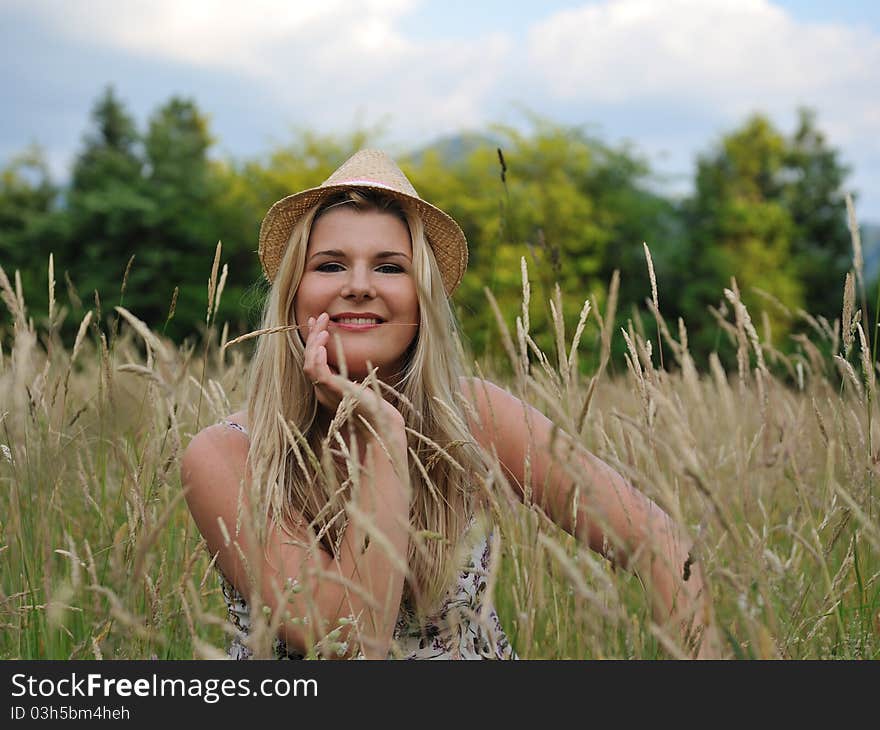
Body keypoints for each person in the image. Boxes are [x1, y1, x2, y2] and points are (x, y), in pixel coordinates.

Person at [181, 149, 721, 660]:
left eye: (390, 267)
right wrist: (383, 437)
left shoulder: (475, 419)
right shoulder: (228, 455)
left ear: (422, 297)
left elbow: (663, 546)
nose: (360, 286)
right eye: (330, 265)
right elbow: (345, 645)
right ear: (294, 292)